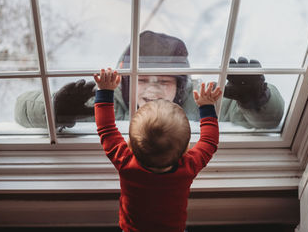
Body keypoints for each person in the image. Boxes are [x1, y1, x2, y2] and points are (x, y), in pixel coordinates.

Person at [14, 30, 285, 130]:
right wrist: (54, 108)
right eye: (143, 80)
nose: (152, 90)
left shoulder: (199, 104)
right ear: (126, 84)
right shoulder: (106, 102)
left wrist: (258, 100)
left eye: (165, 82)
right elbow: (21, 108)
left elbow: (269, 121)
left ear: (180, 88)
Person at [94, 67, 222, 232]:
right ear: (185, 150)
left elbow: (106, 129)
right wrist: (207, 106)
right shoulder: (188, 168)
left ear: (130, 145)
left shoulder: (125, 162)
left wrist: (104, 91)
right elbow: (210, 142)